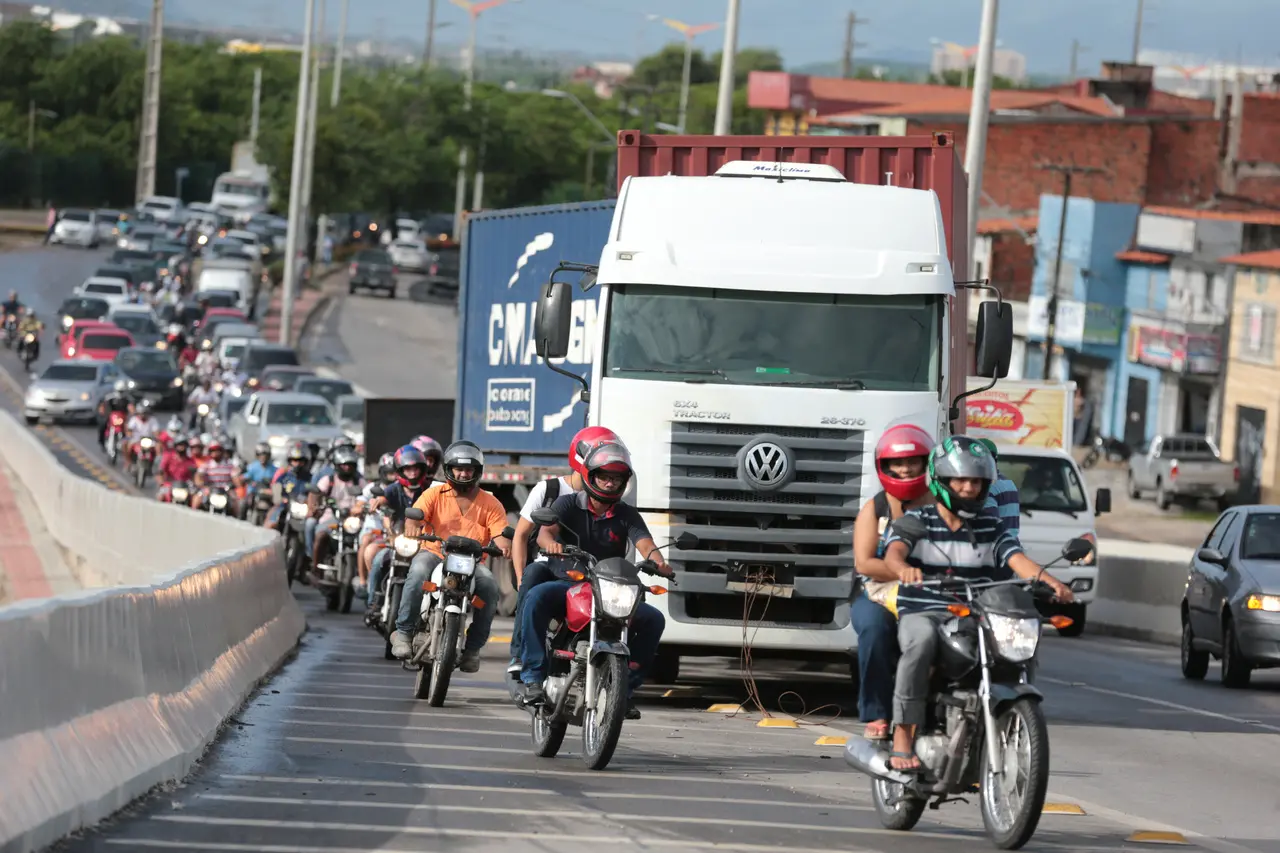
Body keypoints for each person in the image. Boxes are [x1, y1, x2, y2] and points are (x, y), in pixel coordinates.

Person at [880, 436, 1074, 771]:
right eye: (961, 480)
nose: (969, 488)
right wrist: (903, 568)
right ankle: (902, 738)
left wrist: (1051, 582)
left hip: (975, 612)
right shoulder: (918, 519)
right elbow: (895, 550)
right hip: (926, 609)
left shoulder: (991, 525)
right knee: (922, 642)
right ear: (941, 481)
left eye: (976, 481)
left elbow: (1016, 558)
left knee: (1008, 646)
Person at [515, 440, 671, 720]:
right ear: (590, 476)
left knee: (654, 619)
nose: (610, 483)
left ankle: (624, 690)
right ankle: (533, 679)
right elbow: (544, 534)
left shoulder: (626, 514)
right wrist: (550, 543)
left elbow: (645, 543)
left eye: (616, 478)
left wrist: (659, 562)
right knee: (536, 597)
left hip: (610, 588)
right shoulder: (567, 504)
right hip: (569, 582)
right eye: (604, 477)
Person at [508, 425, 620, 675]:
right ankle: (519, 654)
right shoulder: (549, 490)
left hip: (594, 570)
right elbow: (521, 535)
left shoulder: (613, 496)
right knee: (532, 580)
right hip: (551, 566)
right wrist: (519, 577)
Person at [391, 441, 511, 669]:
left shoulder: (491, 502)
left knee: (490, 588)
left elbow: (501, 533)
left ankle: (473, 649)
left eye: (469, 470)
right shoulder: (434, 494)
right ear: (449, 469)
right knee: (417, 573)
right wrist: (413, 526)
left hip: (473, 562)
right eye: (459, 469)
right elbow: (415, 516)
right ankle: (404, 633)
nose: (464, 474)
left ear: (477, 472)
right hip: (434, 553)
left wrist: (505, 545)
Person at [850, 423, 935, 741]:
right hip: (878, 595)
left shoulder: (941, 504)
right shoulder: (875, 508)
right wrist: (904, 572)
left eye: (913, 461)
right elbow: (865, 563)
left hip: (933, 595)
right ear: (883, 466)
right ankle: (877, 713)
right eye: (897, 463)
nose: (905, 468)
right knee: (874, 630)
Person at [365, 445, 437, 615]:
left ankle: (433, 607)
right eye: (407, 468)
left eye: (416, 468)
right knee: (377, 560)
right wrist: (379, 502)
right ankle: (374, 602)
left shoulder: (431, 489)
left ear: (422, 469)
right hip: (398, 541)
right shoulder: (393, 488)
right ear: (400, 470)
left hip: (424, 543)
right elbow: (384, 497)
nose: (412, 472)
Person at [309, 447, 366, 573]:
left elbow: (367, 496)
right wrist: (313, 508)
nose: (347, 468)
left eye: (350, 465)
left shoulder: (359, 481)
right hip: (331, 517)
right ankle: (315, 567)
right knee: (321, 535)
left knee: (366, 539)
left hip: (353, 520)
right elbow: (315, 494)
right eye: (344, 465)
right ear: (337, 465)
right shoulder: (328, 480)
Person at [977, 438, 1021, 537]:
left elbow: (988, 525)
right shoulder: (1009, 483)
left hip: (996, 546)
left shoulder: (988, 487)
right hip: (1011, 544)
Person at [266, 442, 313, 529]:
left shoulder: (310, 478)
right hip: (284, 507)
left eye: (300, 461)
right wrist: (279, 498)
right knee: (271, 523)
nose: (297, 464)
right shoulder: (284, 477)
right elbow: (276, 488)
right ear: (290, 461)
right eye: (295, 460)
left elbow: (314, 493)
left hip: (302, 510)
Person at [192, 436, 239, 513]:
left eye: (217, 450)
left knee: (236, 502)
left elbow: (235, 478)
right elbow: (198, 476)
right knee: (197, 498)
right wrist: (202, 485)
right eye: (213, 451)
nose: (215, 453)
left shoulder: (229, 465)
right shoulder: (206, 465)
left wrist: (235, 484)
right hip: (210, 490)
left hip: (225, 491)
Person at [123, 400, 160, 467]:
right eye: (141, 413)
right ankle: (128, 461)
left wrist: (157, 437)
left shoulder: (152, 420)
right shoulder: (134, 419)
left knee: (158, 446)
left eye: (144, 413)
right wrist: (129, 434)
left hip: (149, 440)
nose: (142, 415)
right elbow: (129, 429)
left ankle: (158, 465)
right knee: (125, 444)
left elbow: (156, 431)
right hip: (136, 440)